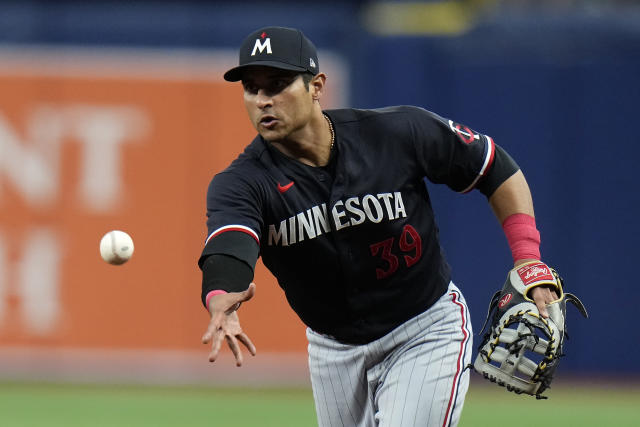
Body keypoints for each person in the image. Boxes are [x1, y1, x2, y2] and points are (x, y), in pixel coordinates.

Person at [199, 26, 557, 427]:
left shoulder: (395, 133)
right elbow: (228, 247)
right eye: (252, 88)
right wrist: (220, 299)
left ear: (316, 86)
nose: (263, 99)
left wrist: (528, 259)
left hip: (424, 328)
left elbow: (494, 168)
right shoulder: (242, 182)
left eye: (279, 84)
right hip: (333, 350)